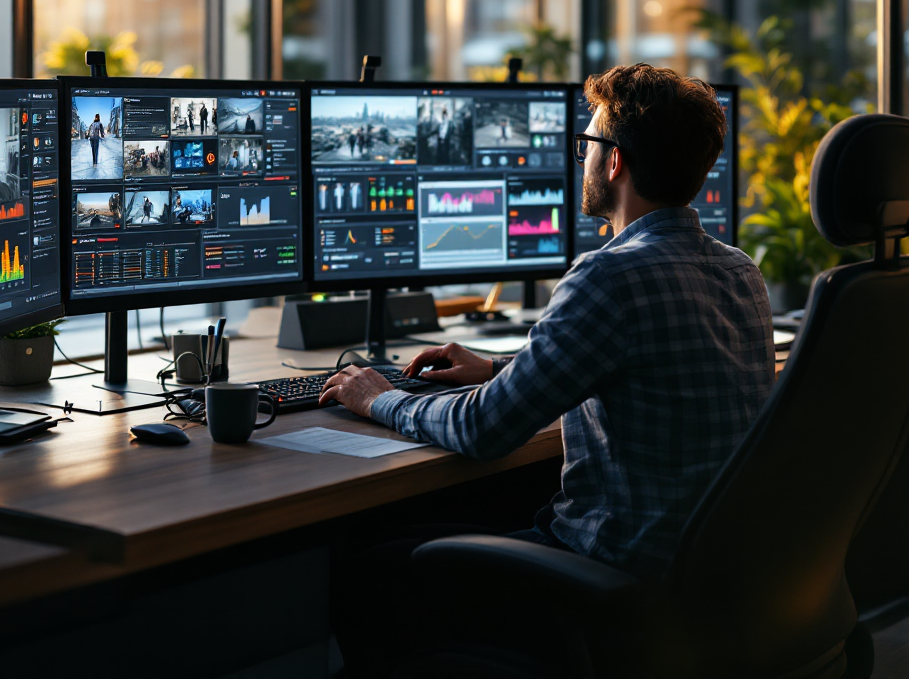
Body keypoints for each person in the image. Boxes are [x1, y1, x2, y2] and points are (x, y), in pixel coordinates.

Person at [323, 65, 774, 671]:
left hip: (615, 575)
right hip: (708, 583)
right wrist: (498, 368)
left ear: (614, 162)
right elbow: (641, 361)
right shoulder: (739, 270)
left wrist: (378, 397)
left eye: (588, 144)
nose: (582, 157)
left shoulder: (610, 274)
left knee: (370, 570)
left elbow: (484, 430)